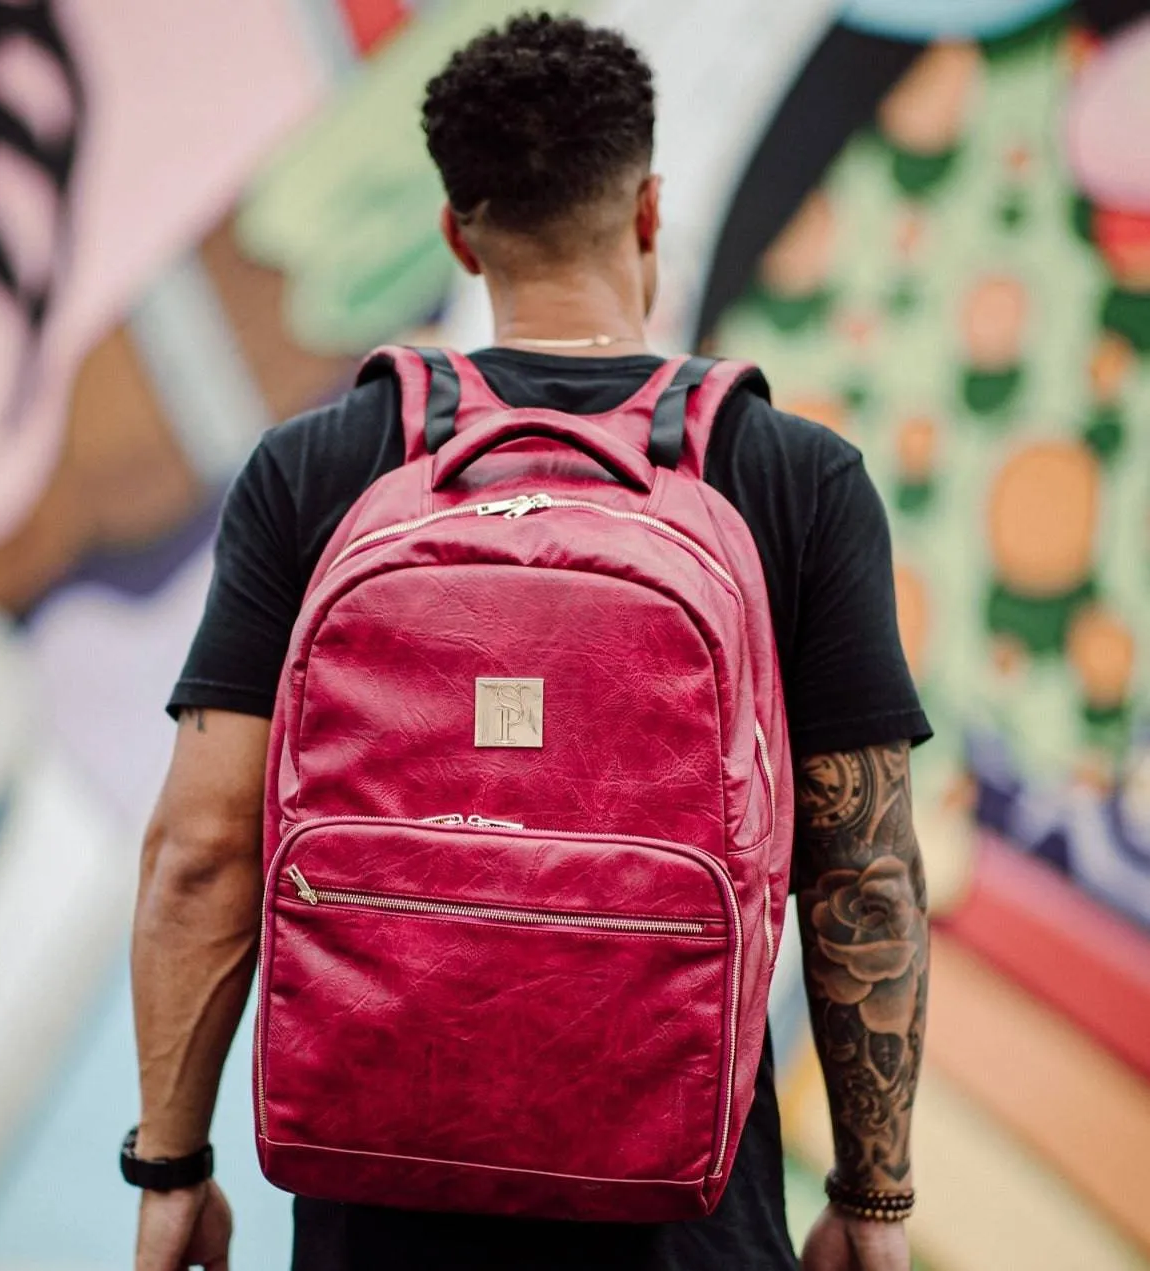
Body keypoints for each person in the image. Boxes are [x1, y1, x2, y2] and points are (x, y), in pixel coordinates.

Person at [128, 13, 931, 1271]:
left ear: (457, 229)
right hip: (684, 1220)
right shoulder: (792, 477)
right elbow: (860, 875)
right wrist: (872, 1200)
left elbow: (198, 852)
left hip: (375, 1215)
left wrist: (171, 1168)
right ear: (649, 210)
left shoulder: (317, 465)